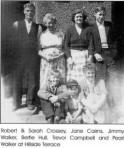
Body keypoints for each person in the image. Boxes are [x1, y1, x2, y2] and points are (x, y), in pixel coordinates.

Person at [12, 3, 41, 111]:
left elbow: (38, 43)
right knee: (17, 79)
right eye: (28, 11)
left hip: (33, 56)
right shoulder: (16, 24)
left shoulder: (38, 27)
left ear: (34, 13)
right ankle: (16, 103)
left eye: (32, 11)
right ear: (24, 12)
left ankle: (30, 101)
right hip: (19, 56)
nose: (30, 13)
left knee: (32, 80)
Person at [64, 9, 93, 87]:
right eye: (77, 17)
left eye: (80, 17)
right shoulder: (69, 29)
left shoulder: (88, 29)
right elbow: (66, 45)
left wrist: (90, 56)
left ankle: (85, 95)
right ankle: (73, 95)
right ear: (74, 18)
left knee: (85, 75)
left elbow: (90, 44)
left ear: (83, 18)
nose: (79, 18)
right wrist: (69, 58)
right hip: (74, 56)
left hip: (85, 55)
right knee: (74, 76)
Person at [38, 13, 66, 91]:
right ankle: (45, 99)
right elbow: (38, 50)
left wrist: (58, 56)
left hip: (59, 60)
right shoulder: (42, 35)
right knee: (46, 79)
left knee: (59, 78)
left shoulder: (60, 34)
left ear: (55, 23)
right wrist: (46, 57)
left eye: (52, 23)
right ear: (45, 24)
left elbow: (65, 48)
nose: (50, 25)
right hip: (47, 61)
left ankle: (60, 98)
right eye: (48, 23)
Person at [89, 6, 117, 80]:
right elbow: (90, 42)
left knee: (112, 75)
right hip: (98, 54)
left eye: (103, 15)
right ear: (95, 14)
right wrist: (95, 53)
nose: (102, 17)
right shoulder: (91, 27)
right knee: (100, 76)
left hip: (109, 54)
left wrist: (114, 52)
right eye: (100, 14)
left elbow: (114, 39)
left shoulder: (109, 25)